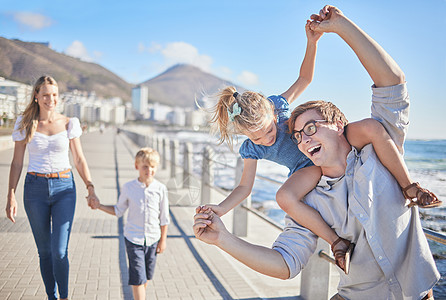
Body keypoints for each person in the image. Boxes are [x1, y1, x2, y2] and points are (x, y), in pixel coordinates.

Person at [194, 5, 440, 299]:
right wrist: (222, 234)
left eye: (311, 128)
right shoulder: (306, 196)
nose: (299, 139)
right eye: (297, 135)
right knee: (283, 196)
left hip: (418, 289)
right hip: (308, 187)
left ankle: (409, 187)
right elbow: (281, 255)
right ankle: (336, 242)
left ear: (339, 125)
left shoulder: (378, 151)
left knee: (367, 132)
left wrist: (324, 35)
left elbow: (383, 83)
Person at [5, 75, 99, 300]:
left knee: (59, 251)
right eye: (46, 94)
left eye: (54, 94)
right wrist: (10, 195)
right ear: (36, 96)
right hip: (34, 190)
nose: (51, 99)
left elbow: (79, 159)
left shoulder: (69, 123)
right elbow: (17, 162)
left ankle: (64, 297)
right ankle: (51, 296)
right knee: (44, 252)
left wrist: (90, 186)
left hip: (64, 188)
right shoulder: (25, 123)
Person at [90, 147, 170, 300]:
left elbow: (164, 218)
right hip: (133, 239)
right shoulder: (128, 188)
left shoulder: (161, 189)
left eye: (153, 166)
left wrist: (163, 240)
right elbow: (118, 210)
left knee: (145, 277)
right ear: (136, 166)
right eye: (145, 166)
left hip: (153, 239)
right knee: (138, 277)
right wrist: (99, 206)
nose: (149, 170)